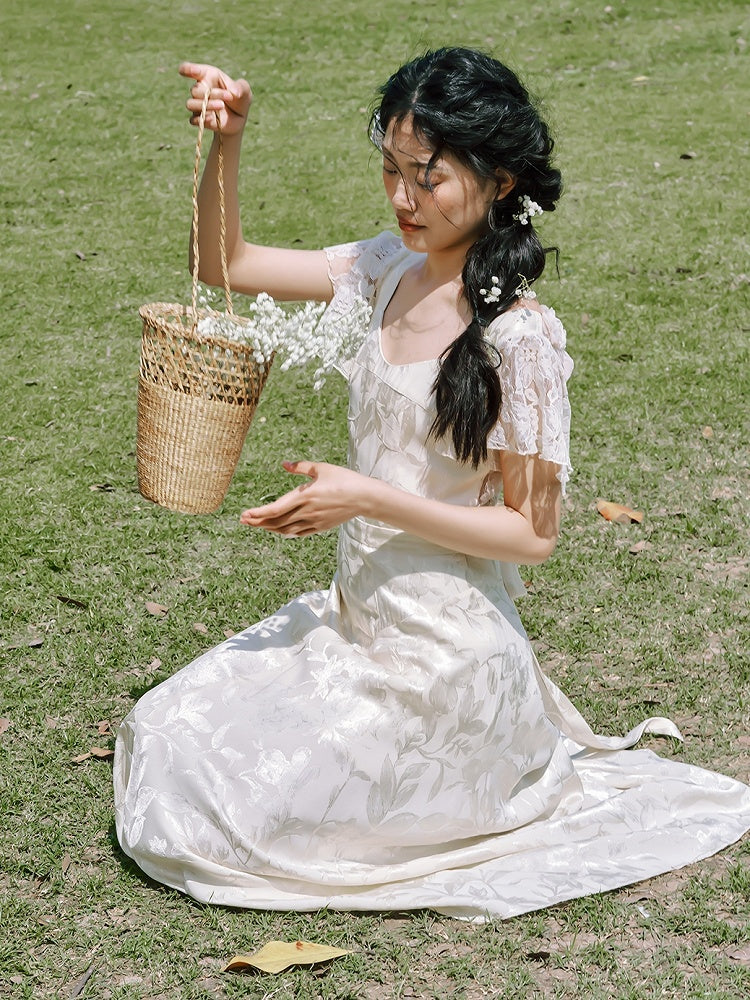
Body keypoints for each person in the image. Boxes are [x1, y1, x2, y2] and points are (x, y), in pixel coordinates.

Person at [114, 48, 750, 919]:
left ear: (500, 179)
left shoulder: (520, 339)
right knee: (171, 736)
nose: (404, 199)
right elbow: (220, 261)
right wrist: (228, 141)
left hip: (449, 667)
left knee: (250, 808)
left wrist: (369, 498)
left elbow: (535, 535)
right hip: (354, 624)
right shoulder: (384, 269)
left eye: (430, 177)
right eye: (391, 171)